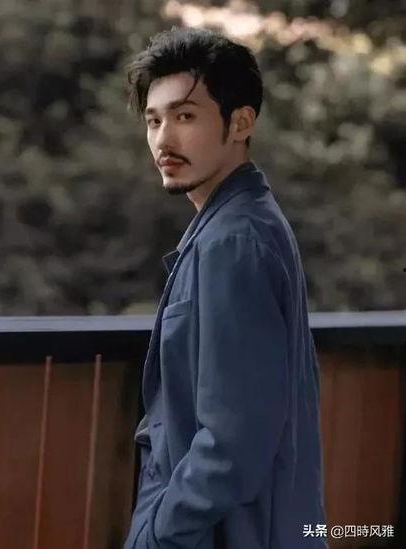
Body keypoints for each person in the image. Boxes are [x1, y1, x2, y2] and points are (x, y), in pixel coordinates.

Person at [123, 26, 328, 548]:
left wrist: (157, 534)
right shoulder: (236, 223)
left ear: (241, 122)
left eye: (185, 116)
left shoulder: (233, 241)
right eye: (154, 120)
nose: (164, 140)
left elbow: (233, 440)